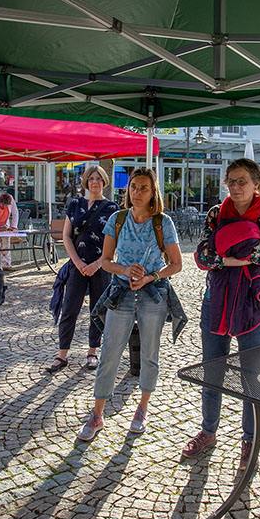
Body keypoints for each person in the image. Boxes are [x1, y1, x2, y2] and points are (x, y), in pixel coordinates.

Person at [182, 158, 260, 468]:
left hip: (253, 302)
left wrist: (224, 256)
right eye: (231, 181)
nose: (235, 187)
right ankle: (208, 431)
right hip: (218, 299)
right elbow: (202, 255)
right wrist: (234, 258)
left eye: (242, 181)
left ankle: (249, 439)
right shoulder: (215, 213)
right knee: (213, 371)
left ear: (256, 184)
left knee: (251, 376)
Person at [78, 168, 182, 440]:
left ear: (153, 192)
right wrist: (125, 271)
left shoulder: (163, 223)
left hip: (153, 295)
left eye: (143, 188)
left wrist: (150, 277)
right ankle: (98, 414)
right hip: (121, 292)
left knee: (149, 354)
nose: (137, 192)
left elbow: (176, 264)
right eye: (133, 187)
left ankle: (142, 409)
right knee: (110, 352)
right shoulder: (117, 219)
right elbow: (106, 260)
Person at [47, 165, 119, 372]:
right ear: (85, 182)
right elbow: (66, 235)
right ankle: (62, 355)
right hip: (76, 265)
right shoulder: (75, 204)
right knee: (69, 309)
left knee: (97, 310)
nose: (94, 182)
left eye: (98, 178)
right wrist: (78, 263)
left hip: (101, 266)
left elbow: (113, 242)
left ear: (104, 181)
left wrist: (97, 264)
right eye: (91, 178)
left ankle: (92, 352)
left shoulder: (112, 208)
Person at [0, 192, 19, 270]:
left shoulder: (11, 200)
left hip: (5, 224)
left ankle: (6, 264)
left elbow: (15, 213)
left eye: (5, 205)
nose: (3, 207)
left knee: (6, 245)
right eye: (2, 205)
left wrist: (14, 226)